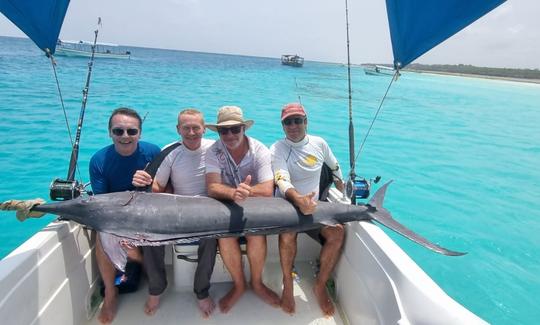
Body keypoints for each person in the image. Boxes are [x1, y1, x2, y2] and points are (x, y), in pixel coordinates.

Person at [131, 109, 217, 319]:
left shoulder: (215, 148)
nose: (191, 132)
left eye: (196, 127)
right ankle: (156, 288)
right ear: (178, 129)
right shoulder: (170, 150)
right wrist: (145, 183)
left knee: (211, 238)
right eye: (185, 127)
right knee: (150, 237)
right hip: (177, 209)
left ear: (204, 129)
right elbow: (158, 185)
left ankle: (202, 291)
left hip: (208, 209)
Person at [270, 103, 345, 317]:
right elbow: (281, 178)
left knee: (337, 232)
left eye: (297, 120)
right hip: (287, 206)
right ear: (283, 125)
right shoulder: (278, 148)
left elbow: (335, 166)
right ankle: (288, 284)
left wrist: (342, 183)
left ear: (306, 122)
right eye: (288, 122)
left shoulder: (320, 143)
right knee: (287, 236)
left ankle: (320, 285)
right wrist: (298, 199)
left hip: (313, 209)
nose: (293, 125)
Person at [205, 105, 280, 313]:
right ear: (218, 132)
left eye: (235, 129)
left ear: (243, 129)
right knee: (225, 237)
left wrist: (246, 192)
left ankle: (256, 283)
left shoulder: (260, 151)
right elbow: (212, 186)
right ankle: (239, 285)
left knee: (256, 236)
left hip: (255, 206)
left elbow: (267, 188)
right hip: (227, 204)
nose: (229, 135)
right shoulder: (213, 151)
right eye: (224, 131)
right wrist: (232, 194)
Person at [89, 107, 161, 324]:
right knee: (102, 234)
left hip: (148, 211)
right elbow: (103, 204)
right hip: (115, 214)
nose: (125, 136)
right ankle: (111, 293)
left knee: (151, 260)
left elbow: (165, 189)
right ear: (110, 133)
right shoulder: (99, 160)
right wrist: (121, 232)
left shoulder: (153, 152)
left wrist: (151, 183)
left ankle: (144, 267)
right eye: (118, 131)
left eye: (131, 131)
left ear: (140, 133)